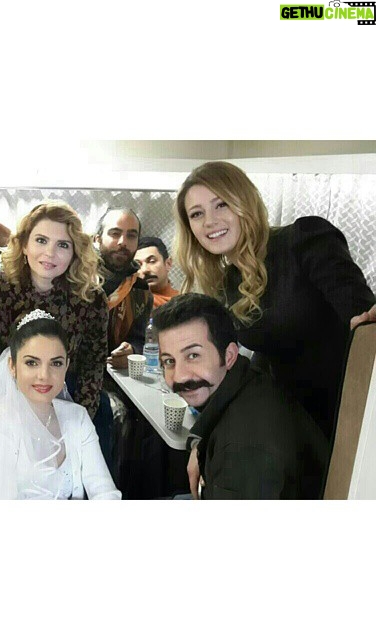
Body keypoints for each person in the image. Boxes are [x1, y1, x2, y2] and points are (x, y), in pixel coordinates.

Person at [174, 161, 376, 440]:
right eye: (197, 214)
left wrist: (364, 318)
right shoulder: (227, 284)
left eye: (221, 204)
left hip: (348, 416)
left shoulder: (303, 239)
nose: (210, 221)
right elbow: (259, 359)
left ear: (245, 203)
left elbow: (363, 317)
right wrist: (205, 435)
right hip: (288, 427)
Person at [0, 311, 121, 499]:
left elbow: (105, 491)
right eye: (32, 363)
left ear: (66, 366)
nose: (44, 375)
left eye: (56, 363)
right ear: (12, 366)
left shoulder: (78, 417)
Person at [154, 293, 329, 499]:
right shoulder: (247, 379)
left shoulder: (244, 451)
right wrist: (198, 444)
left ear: (229, 356)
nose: (180, 376)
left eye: (193, 356)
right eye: (169, 361)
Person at [0, 201, 109, 420]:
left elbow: (93, 365)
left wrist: (78, 420)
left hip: (68, 395)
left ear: (75, 252)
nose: (50, 253)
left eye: (63, 245)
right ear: (24, 245)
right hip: (7, 394)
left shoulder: (91, 298)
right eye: (41, 240)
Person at [94, 207, 153, 369]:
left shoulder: (140, 291)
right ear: (97, 240)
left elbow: (141, 340)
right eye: (115, 233)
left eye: (131, 236)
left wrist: (132, 350)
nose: (123, 242)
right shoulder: (76, 278)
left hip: (114, 378)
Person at [134, 236, 179, 307]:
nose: (145, 270)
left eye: (152, 261)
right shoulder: (133, 303)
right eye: (137, 265)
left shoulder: (185, 300)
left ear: (168, 264)